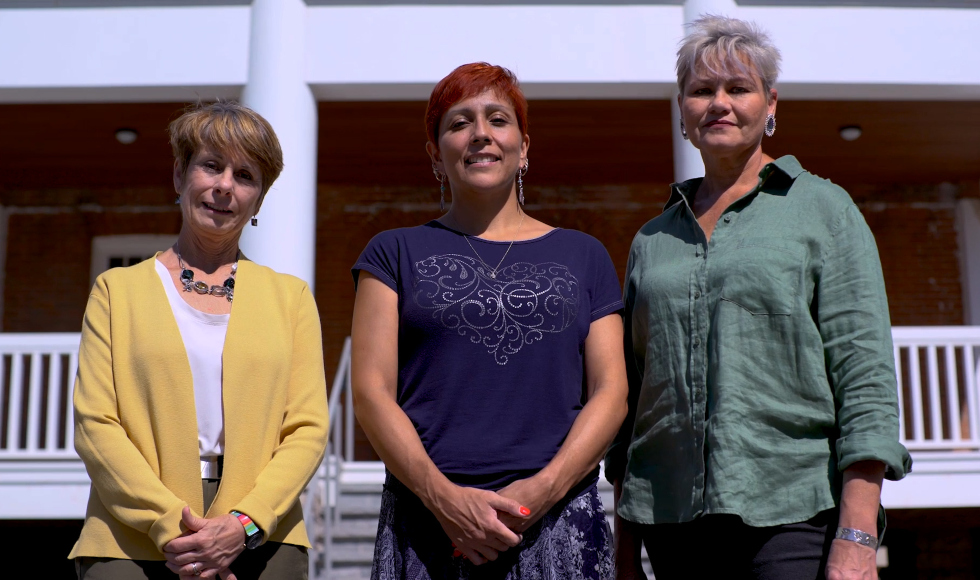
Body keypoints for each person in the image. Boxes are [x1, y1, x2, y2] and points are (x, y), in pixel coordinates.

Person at [606, 16, 912, 580]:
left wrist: (856, 538)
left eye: (737, 88)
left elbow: (864, 378)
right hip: (670, 521)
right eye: (701, 91)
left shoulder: (824, 210)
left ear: (770, 104)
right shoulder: (652, 241)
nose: (718, 103)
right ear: (682, 111)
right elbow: (632, 406)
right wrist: (624, 551)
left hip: (793, 512)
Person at [350, 62, 628, 580]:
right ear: (436, 154)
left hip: (559, 518)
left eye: (497, 119)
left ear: (525, 147)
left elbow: (612, 392)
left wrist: (540, 493)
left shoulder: (583, 255)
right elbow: (369, 391)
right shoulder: (392, 253)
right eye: (459, 123)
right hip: (428, 520)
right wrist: (446, 501)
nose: (480, 134)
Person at [69, 101, 329, 579]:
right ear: (179, 176)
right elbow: (95, 423)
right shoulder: (116, 291)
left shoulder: (290, 298)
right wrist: (172, 527)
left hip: (261, 541)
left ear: (258, 199)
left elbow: (307, 430)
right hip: (131, 539)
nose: (225, 186)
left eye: (246, 175)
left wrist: (243, 524)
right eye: (211, 165)